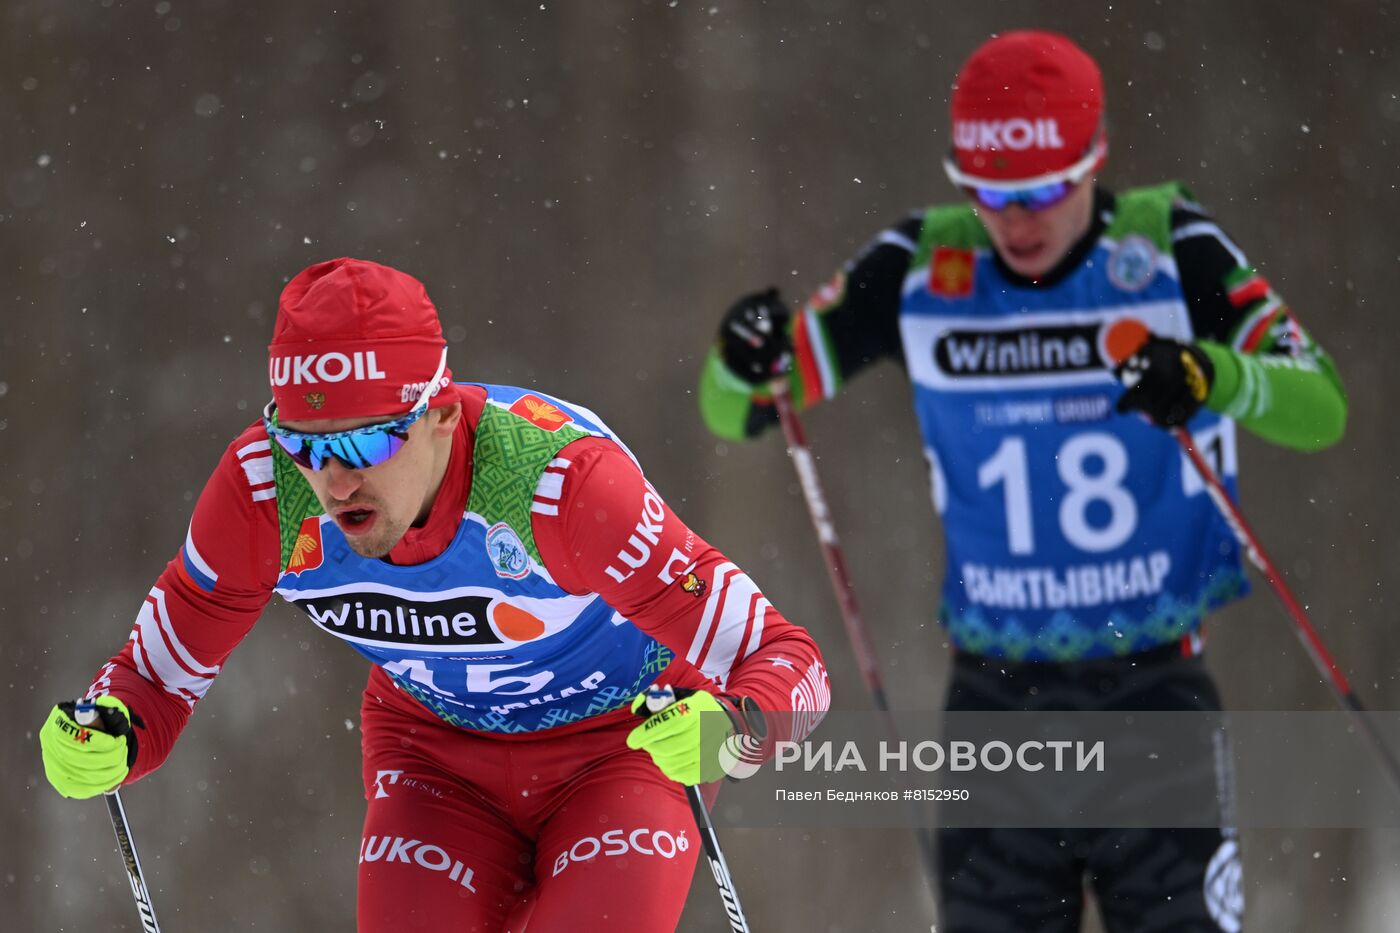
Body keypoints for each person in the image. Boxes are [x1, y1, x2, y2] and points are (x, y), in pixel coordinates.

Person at [698, 29, 1346, 933]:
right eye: (990, 194)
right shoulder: (922, 264)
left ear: (1097, 159)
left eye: (1045, 190)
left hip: (1153, 690)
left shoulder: (1169, 245)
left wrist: (1210, 374)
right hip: (997, 702)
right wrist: (740, 355)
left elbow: (1321, 405)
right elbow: (742, 407)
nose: (1018, 222)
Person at [39, 257, 831, 931]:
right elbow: (153, 677)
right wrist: (110, 728)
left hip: (622, 748)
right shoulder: (264, 495)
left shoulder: (560, 487)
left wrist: (734, 726)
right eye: (305, 444)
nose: (335, 477)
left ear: (442, 418)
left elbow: (792, 662)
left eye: (366, 440)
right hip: (437, 760)